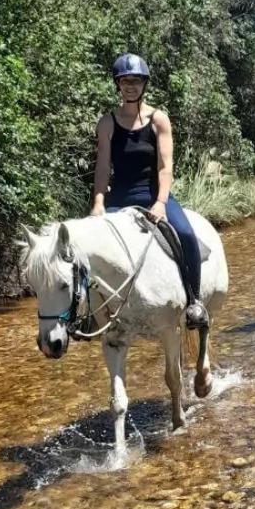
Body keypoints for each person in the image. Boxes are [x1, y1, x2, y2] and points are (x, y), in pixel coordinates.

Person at [91, 53, 208, 327]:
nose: (130, 86)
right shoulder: (107, 123)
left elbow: (165, 167)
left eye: (136, 81)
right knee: (91, 248)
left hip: (153, 194)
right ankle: (92, 312)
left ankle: (194, 300)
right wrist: (98, 203)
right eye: (125, 80)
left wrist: (161, 202)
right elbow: (102, 168)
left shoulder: (159, 120)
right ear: (117, 84)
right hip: (119, 198)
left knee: (187, 235)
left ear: (144, 84)